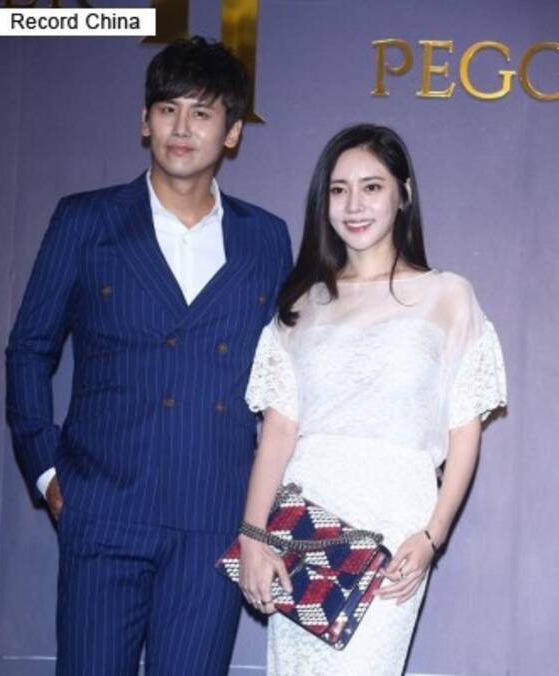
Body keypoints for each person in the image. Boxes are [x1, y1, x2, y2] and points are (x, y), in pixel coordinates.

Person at [6, 36, 292, 675]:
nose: (181, 128)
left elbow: (287, 383)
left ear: (232, 132)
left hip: (214, 517)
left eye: (202, 112)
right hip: (103, 509)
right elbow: (29, 348)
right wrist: (48, 475)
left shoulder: (266, 239)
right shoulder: (86, 221)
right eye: (167, 109)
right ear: (145, 121)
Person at [237, 123, 507, 675]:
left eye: (372, 187)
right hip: (305, 526)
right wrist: (252, 537)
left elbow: (464, 430)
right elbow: (278, 432)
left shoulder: (448, 296)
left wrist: (433, 534)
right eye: (339, 190)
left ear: (403, 194)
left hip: (395, 524)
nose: (354, 205)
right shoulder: (301, 304)